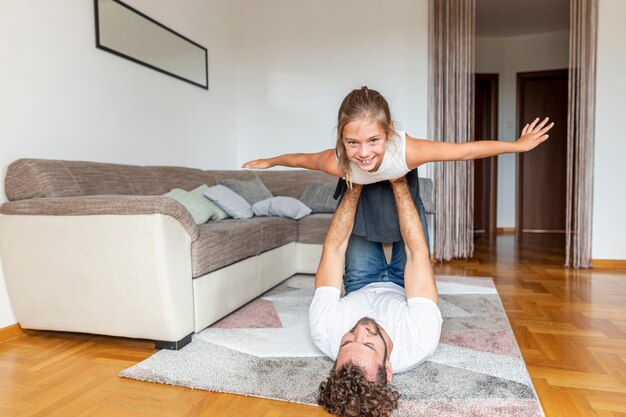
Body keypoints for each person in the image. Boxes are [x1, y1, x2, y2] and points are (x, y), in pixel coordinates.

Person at [242, 86, 553, 291]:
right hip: (362, 208)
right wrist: (269, 161)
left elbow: (464, 150)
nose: (363, 152)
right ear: (341, 138)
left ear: (388, 132)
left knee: (413, 284)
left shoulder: (406, 150)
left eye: (373, 141)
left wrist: (517, 145)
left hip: (405, 203)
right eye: (353, 142)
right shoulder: (339, 162)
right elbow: (301, 159)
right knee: (358, 283)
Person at [309, 176, 441, 417]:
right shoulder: (420, 340)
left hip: (362, 282)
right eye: (369, 343)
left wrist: (354, 182)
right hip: (406, 287)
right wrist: (399, 183)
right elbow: (416, 252)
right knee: (409, 198)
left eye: (347, 342)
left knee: (361, 197)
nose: (360, 330)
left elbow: (334, 248)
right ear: (388, 369)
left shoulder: (323, 330)